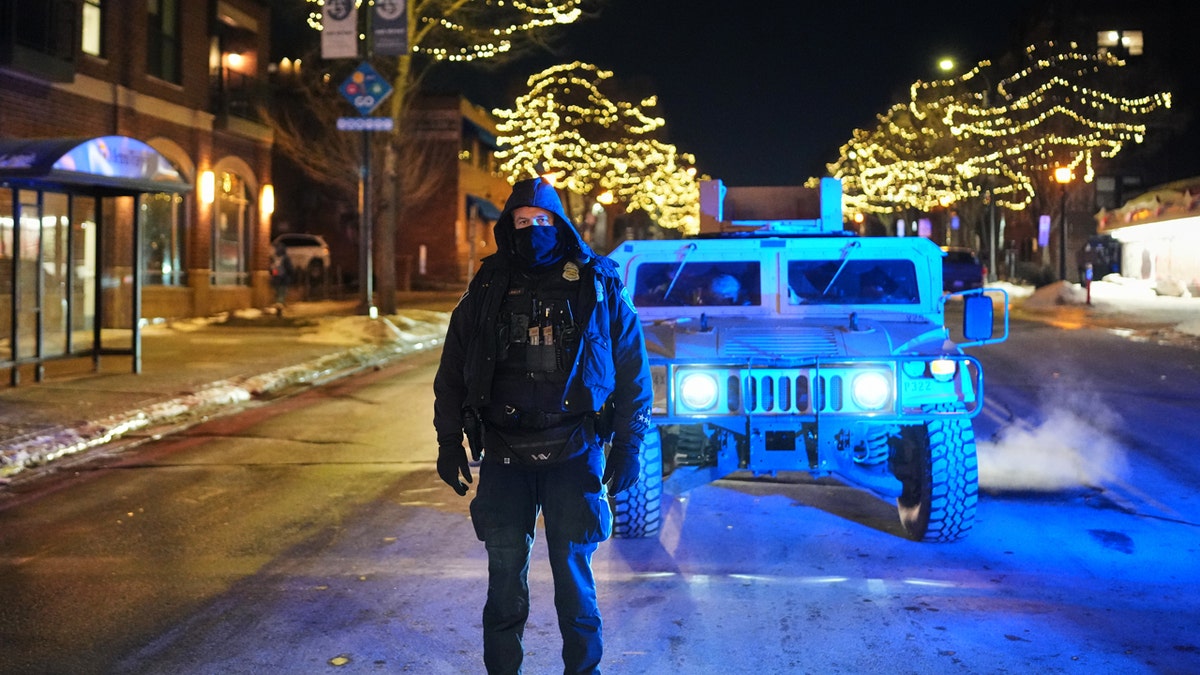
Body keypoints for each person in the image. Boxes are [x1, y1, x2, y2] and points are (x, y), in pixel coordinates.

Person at [433, 177, 653, 674]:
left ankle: (584, 670)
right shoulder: (488, 287)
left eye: (543, 220)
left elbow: (632, 370)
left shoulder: (598, 283)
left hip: (575, 449)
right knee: (504, 578)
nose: (533, 229)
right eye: (522, 221)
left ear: (561, 224)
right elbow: (450, 373)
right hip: (505, 451)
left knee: (574, 580)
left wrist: (630, 444)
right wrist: (449, 440)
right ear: (508, 226)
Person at [268, 242, 294, 314]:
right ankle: (279, 308)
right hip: (284, 279)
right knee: (282, 294)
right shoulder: (285, 258)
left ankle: (279, 306)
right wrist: (291, 276)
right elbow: (290, 269)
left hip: (276, 279)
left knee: (277, 294)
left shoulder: (274, 258)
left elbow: (271, 269)